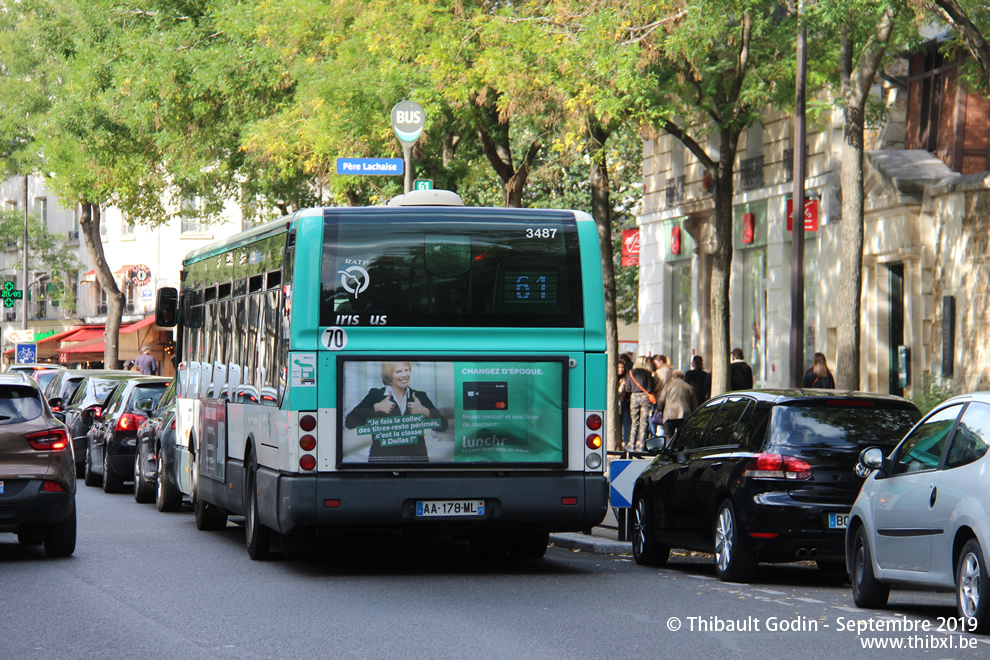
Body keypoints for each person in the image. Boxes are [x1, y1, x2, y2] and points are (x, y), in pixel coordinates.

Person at [344, 361, 448, 462]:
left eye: (406, 370)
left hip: (415, 463)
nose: (405, 375)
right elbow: (350, 422)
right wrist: (375, 408)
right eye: (399, 372)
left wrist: (425, 412)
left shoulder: (419, 396)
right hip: (382, 463)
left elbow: (443, 425)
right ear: (389, 376)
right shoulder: (375, 395)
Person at [656, 370, 698, 440]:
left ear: (673, 377)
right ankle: (679, 450)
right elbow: (694, 404)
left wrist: (660, 409)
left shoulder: (668, 385)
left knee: (668, 436)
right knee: (682, 437)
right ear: (683, 377)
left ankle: (669, 449)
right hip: (684, 415)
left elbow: (661, 400)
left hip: (669, 414)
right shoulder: (689, 387)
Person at [627, 355, 656, 452]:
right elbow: (651, 387)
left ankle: (631, 443)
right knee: (644, 421)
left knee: (634, 421)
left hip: (634, 397)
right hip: (645, 397)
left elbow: (628, 388)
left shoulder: (631, 372)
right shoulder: (648, 373)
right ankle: (641, 444)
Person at [616, 360, 632, 451]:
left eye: (622, 367)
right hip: (617, 403)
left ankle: (626, 441)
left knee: (626, 422)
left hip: (625, 402)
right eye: (619, 367)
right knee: (618, 422)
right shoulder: (614, 378)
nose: (621, 369)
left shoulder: (627, 377)